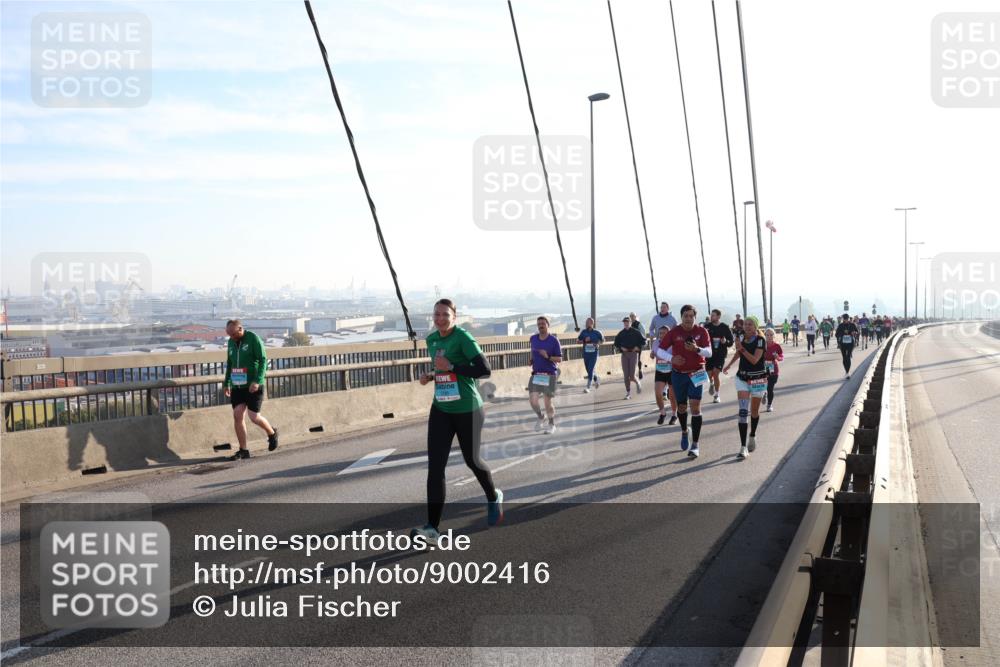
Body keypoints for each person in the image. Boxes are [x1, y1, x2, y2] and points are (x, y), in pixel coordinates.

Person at [412, 299, 501, 546]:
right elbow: (441, 370)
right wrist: (430, 376)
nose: (440, 319)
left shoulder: (463, 337)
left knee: (472, 461)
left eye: (445, 315)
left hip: (468, 409)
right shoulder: (432, 340)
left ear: (455, 316)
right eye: (436, 314)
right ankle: (432, 528)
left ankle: (493, 497)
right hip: (441, 407)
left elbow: (484, 369)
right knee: (435, 468)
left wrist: (451, 365)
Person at [656, 305, 712, 457]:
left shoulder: (702, 331)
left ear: (695, 317)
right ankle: (684, 430)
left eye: (691, 316)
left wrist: (697, 349)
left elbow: (709, 352)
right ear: (681, 317)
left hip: (696, 373)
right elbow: (659, 350)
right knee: (681, 408)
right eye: (685, 316)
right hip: (678, 374)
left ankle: (695, 445)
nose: (688, 318)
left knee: (695, 407)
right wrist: (671, 358)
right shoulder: (675, 331)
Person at [223, 319, 278, 460]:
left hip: (253, 385)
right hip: (237, 385)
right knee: (237, 414)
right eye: (229, 335)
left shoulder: (253, 338)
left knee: (254, 417)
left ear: (240, 329)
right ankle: (243, 450)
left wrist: (258, 381)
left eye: (234, 335)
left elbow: (263, 360)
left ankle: (272, 433)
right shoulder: (231, 342)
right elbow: (230, 363)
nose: (232, 338)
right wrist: (226, 383)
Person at [723, 316, 768, 460]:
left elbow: (754, 360)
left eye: (750, 325)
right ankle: (743, 447)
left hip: (758, 379)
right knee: (743, 412)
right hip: (742, 378)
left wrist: (741, 349)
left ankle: (752, 435)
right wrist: (729, 364)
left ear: (755, 327)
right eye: (745, 324)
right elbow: (739, 353)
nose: (747, 327)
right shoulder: (742, 339)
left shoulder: (761, 340)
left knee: (754, 411)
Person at [528, 316, 562, 433]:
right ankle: (541, 417)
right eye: (539, 324)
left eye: (543, 323)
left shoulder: (553, 340)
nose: (541, 325)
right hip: (537, 374)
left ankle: (552, 424)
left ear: (548, 325)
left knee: (547, 402)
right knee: (533, 401)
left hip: (550, 374)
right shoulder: (533, 338)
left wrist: (547, 356)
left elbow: (559, 359)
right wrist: (531, 359)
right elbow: (532, 350)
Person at [704, 308, 734, 404]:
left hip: (720, 354)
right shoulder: (707, 327)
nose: (711, 317)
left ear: (718, 316)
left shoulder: (725, 327)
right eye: (711, 315)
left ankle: (717, 395)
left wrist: (726, 342)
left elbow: (731, 342)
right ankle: (711, 383)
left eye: (713, 315)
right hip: (709, 354)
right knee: (709, 375)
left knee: (716, 373)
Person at [615, 316, 645, 399]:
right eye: (624, 322)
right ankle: (628, 393)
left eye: (627, 322)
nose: (626, 323)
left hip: (633, 354)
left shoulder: (636, 332)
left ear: (630, 323)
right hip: (624, 354)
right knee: (626, 376)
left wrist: (638, 347)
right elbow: (616, 343)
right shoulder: (621, 333)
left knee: (631, 376)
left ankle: (637, 382)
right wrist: (621, 348)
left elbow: (644, 341)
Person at [652, 325, 674, 424]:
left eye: (664, 333)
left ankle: (674, 415)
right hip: (660, 370)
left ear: (669, 334)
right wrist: (652, 354)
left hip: (671, 371)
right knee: (658, 393)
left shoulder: (673, 343)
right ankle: (663, 413)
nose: (661, 335)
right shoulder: (656, 342)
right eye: (660, 333)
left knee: (672, 396)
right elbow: (654, 352)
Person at [577, 317, 603, 393]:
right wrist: (584, 340)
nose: (587, 324)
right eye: (586, 322)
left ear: (592, 323)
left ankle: (588, 387)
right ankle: (596, 378)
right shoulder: (583, 332)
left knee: (591, 369)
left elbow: (603, 340)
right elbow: (578, 341)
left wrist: (597, 344)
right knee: (588, 370)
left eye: (588, 322)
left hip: (594, 354)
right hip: (586, 353)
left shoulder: (597, 332)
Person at [763, 327, 784, 412]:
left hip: (773, 369)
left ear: (774, 336)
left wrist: (778, 357)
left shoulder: (777, 346)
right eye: (767, 335)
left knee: (770, 387)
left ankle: (769, 404)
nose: (769, 336)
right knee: (765, 387)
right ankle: (764, 395)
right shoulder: (762, 345)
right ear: (765, 336)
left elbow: (781, 357)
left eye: (771, 335)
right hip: (763, 368)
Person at [835, 314, 860, 379]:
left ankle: (847, 372)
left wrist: (854, 333)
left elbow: (857, 332)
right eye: (844, 319)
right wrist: (841, 335)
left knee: (848, 356)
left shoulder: (852, 325)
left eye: (847, 319)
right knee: (844, 357)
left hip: (850, 343)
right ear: (843, 319)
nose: (846, 320)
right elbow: (836, 334)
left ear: (848, 319)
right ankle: (846, 371)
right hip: (842, 343)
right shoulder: (840, 325)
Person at [629, 312, 646, 380]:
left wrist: (642, 341)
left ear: (635, 317)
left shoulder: (639, 324)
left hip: (638, 344)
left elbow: (643, 332)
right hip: (630, 344)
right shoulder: (629, 324)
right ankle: (632, 373)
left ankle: (640, 370)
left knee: (638, 358)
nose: (632, 318)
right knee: (631, 358)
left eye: (633, 316)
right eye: (631, 316)